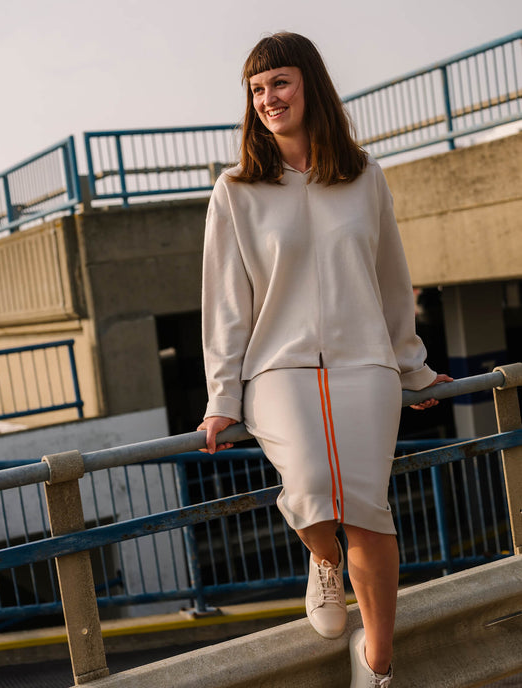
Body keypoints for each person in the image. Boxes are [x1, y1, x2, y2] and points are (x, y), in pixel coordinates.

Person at [198, 32, 451, 688]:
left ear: (310, 85)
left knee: (364, 506)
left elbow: (391, 281)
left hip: (363, 362)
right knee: (312, 485)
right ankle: (323, 562)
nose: (267, 99)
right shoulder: (235, 190)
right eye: (256, 89)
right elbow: (225, 304)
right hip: (277, 368)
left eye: (279, 82)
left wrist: (412, 368)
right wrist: (222, 397)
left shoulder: (364, 176)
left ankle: (377, 664)